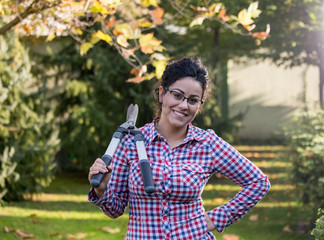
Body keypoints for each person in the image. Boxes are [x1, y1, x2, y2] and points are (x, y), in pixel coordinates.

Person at [88, 57, 271, 239]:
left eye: (192, 100)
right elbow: (115, 210)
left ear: (199, 105)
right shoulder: (131, 143)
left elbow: (259, 182)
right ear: (161, 94)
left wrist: (214, 219)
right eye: (177, 95)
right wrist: (102, 190)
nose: (183, 105)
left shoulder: (207, 144)